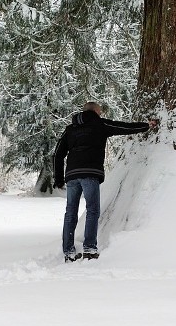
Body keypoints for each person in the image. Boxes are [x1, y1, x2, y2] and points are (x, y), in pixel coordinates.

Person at [53, 101, 155, 262]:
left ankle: (68, 251)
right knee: (92, 210)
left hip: (72, 175)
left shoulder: (70, 129)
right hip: (90, 173)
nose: (101, 113)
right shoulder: (99, 123)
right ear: (95, 111)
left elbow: (58, 154)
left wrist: (58, 178)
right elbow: (122, 127)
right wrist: (145, 126)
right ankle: (90, 248)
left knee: (70, 213)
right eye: (100, 111)